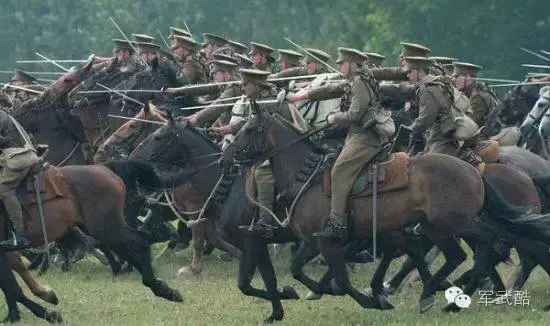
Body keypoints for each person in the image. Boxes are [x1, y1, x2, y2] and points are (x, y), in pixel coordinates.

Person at [285, 48, 384, 241]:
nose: (338, 66)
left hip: (365, 137)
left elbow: (355, 114)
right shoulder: (353, 80)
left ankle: (337, 224)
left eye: (342, 63)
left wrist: (333, 118)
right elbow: (331, 89)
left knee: (338, 172)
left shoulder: (360, 83)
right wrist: (300, 96)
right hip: (356, 135)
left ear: (352, 64)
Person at [0, 108, 37, 248]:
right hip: (12, 155)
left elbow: (3, 140)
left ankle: (20, 235)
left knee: (3, 189)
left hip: (19, 157)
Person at [452, 62, 498, 127]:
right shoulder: (472, 91)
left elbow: (468, 124)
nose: (453, 79)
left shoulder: (478, 96)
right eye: (453, 77)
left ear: (468, 77)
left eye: (457, 76)